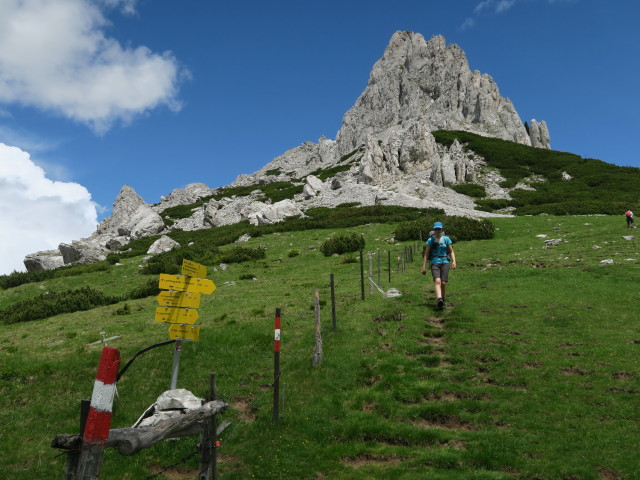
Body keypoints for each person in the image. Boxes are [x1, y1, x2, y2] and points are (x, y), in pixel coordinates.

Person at [421, 222, 457, 309]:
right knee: (437, 281)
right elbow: (426, 254)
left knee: (443, 283)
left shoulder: (446, 239)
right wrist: (424, 266)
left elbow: (451, 251)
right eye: (436, 229)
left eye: (439, 229)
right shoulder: (430, 241)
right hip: (435, 262)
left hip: (445, 261)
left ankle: (443, 299)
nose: (437, 231)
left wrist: (454, 261)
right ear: (434, 230)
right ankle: (439, 299)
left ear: (441, 230)